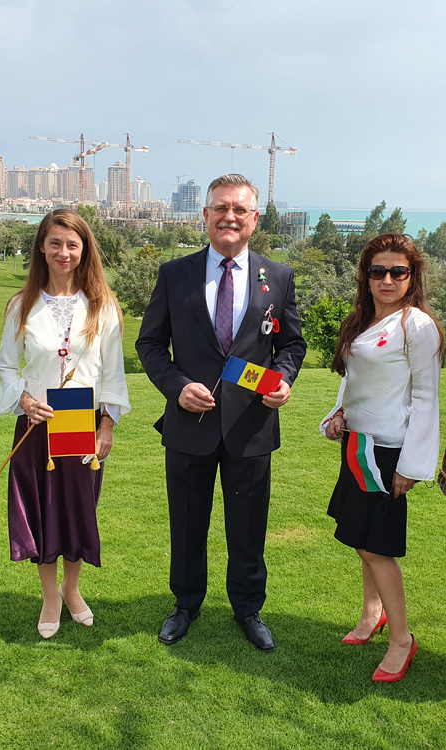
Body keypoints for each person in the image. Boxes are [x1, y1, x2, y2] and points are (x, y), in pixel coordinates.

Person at [136, 174, 306, 652]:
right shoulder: (175, 274)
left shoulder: (280, 276)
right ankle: (185, 604)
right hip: (189, 424)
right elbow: (149, 343)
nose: (229, 217)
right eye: (220, 208)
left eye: (240, 209)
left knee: (248, 527)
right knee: (187, 523)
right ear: (205, 216)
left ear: (254, 219)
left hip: (251, 427)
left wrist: (285, 379)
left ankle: (249, 609)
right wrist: (176, 387)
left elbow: (291, 342)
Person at [0, 209, 130, 639]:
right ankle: (50, 596)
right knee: (43, 511)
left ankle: (73, 590)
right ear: (41, 247)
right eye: (55, 243)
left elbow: (113, 373)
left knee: (77, 511)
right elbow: (5, 367)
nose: (64, 252)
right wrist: (25, 399)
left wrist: (106, 425)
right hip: (37, 429)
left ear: (84, 249)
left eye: (73, 244)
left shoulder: (103, 306)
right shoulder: (21, 305)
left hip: (83, 429)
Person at [320, 234, 443, 682]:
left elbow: (427, 398)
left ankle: (402, 640)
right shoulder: (362, 319)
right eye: (378, 271)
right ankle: (374, 613)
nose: (387, 279)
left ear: (413, 277)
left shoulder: (417, 326)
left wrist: (412, 466)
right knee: (360, 540)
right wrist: (335, 416)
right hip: (357, 445)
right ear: (366, 276)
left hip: (388, 452)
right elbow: (353, 382)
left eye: (398, 271)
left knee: (377, 549)